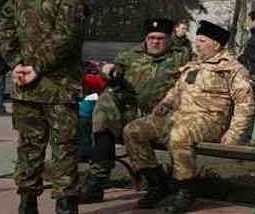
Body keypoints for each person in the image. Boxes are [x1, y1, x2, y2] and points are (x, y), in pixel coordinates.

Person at [122, 20, 255, 212]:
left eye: (201, 41)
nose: (196, 44)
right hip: (179, 116)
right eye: (197, 40)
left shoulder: (232, 69)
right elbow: (177, 90)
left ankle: (185, 190)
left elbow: (245, 104)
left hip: (209, 121)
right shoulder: (193, 65)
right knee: (133, 130)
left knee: (179, 135)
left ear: (216, 44)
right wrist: (166, 103)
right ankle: (157, 184)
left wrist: (234, 133)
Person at [0, 0, 85, 214]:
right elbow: (66, 36)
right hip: (59, 88)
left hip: (26, 87)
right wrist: (38, 66)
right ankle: (65, 206)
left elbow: (3, 31)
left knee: (29, 146)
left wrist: (18, 64)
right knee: (64, 147)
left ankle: (27, 204)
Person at [79, 18, 189, 204]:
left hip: (163, 115)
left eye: (160, 38)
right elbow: (115, 71)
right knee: (105, 103)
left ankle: (157, 184)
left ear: (169, 39)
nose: (155, 42)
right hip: (132, 113)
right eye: (151, 37)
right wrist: (108, 71)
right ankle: (97, 179)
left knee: (132, 130)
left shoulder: (181, 56)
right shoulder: (130, 55)